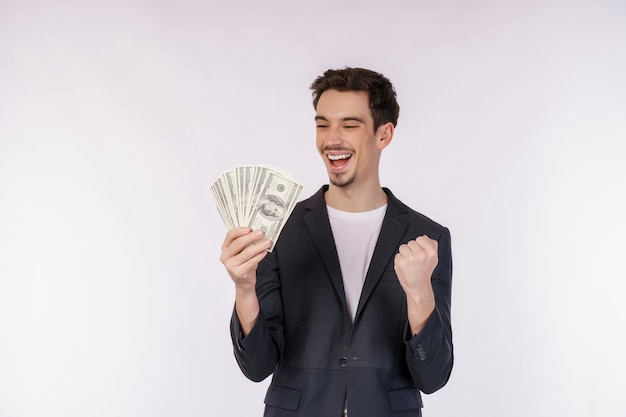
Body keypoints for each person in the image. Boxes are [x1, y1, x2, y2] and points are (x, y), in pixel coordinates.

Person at [220, 67, 453, 417]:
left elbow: (433, 376)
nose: (331, 139)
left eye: (350, 124)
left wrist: (420, 293)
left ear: (383, 135)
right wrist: (243, 288)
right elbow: (257, 367)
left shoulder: (426, 237)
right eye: (322, 124)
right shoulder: (278, 228)